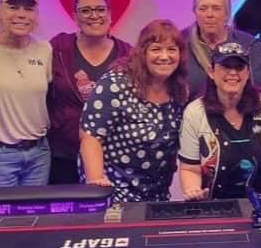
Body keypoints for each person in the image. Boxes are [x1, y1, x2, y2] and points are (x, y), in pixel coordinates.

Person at [79, 20, 188, 202]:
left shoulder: (179, 89)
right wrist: (96, 183)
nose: (164, 56)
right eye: (156, 49)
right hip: (114, 190)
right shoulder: (115, 84)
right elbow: (90, 136)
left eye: (171, 49)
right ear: (142, 53)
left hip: (157, 193)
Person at [179, 42, 261, 200]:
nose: (233, 72)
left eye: (239, 67)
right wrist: (193, 190)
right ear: (211, 72)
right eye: (226, 66)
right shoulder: (194, 112)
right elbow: (189, 169)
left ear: (248, 73)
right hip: (215, 205)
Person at [47, 0, 132, 184]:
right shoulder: (57, 49)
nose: (94, 15)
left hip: (112, 158)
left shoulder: (128, 54)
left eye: (100, 9)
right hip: (63, 156)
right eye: (85, 10)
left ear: (110, 14)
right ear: (75, 17)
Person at [0, 0, 52, 186]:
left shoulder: (45, 49)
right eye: (13, 7)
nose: (21, 14)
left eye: (29, 9)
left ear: (36, 15)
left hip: (38, 155)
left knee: (35, 216)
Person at [182, 0, 261, 98]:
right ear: (195, 12)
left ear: (227, 14)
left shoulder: (248, 45)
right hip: (191, 114)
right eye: (203, 9)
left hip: (239, 113)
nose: (209, 14)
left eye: (216, 8)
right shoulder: (179, 43)